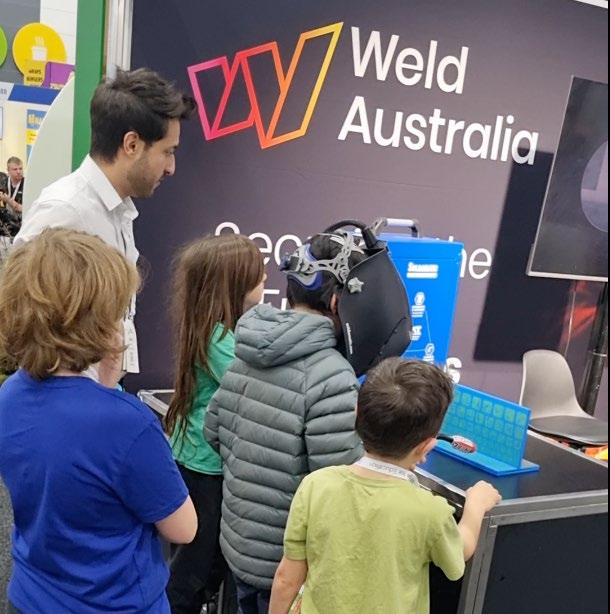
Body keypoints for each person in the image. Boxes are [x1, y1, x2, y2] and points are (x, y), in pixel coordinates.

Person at [0, 229, 198, 614]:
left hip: (29, 595)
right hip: (113, 603)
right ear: (102, 323)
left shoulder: (9, 396)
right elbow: (183, 528)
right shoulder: (127, 424)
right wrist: (109, 387)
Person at [205, 232, 365, 614]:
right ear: (338, 301)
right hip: (289, 567)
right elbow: (338, 483)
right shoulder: (332, 374)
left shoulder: (248, 349)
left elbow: (213, 430)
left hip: (240, 547)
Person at [269, 357, 502, 614]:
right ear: (426, 447)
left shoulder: (315, 485)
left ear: (357, 415)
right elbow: (459, 552)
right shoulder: (429, 511)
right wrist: (476, 506)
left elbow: (286, 579)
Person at [164, 234, 266, 614]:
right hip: (205, 465)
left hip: (195, 456)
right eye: (257, 274)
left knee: (200, 563)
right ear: (234, 283)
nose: (265, 279)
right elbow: (253, 386)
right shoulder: (219, 339)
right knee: (195, 569)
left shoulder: (211, 329)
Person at [15, 69, 194, 262]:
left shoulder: (117, 211)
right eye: (168, 152)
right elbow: (23, 281)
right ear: (132, 145)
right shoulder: (64, 213)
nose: (171, 168)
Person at [0, 158, 24, 246]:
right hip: (4, 228)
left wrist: (8, 200)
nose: (18, 172)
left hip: (20, 228)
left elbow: (25, 209)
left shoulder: (27, 184)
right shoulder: (3, 182)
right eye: (15, 169)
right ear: (8, 171)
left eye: (20, 168)